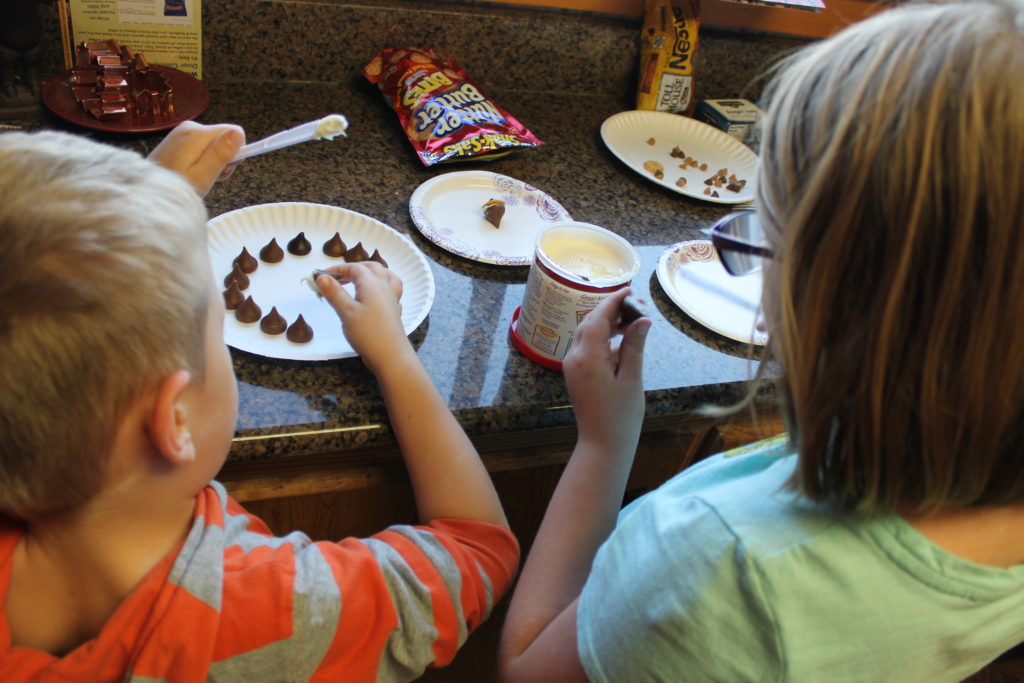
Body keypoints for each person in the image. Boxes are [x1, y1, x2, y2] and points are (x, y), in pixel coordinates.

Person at [497, 0, 1024, 680]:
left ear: (843, 301)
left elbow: (522, 667)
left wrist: (604, 444)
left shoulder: (726, 568)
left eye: (767, 240)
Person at [0, 122, 518, 680]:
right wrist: (394, 356)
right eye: (214, 323)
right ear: (173, 421)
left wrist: (149, 201)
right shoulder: (281, 618)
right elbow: (478, 549)